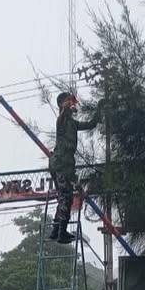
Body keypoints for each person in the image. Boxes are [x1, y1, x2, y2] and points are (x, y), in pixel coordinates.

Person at [49, 91, 103, 244]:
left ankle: (55, 230)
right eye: (68, 102)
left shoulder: (72, 123)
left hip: (64, 164)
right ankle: (61, 233)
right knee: (66, 198)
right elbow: (62, 115)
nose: (72, 104)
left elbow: (91, 124)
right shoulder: (62, 121)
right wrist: (66, 107)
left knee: (64, 197)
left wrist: (99, 108)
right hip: (61, 163)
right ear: (62, 105)